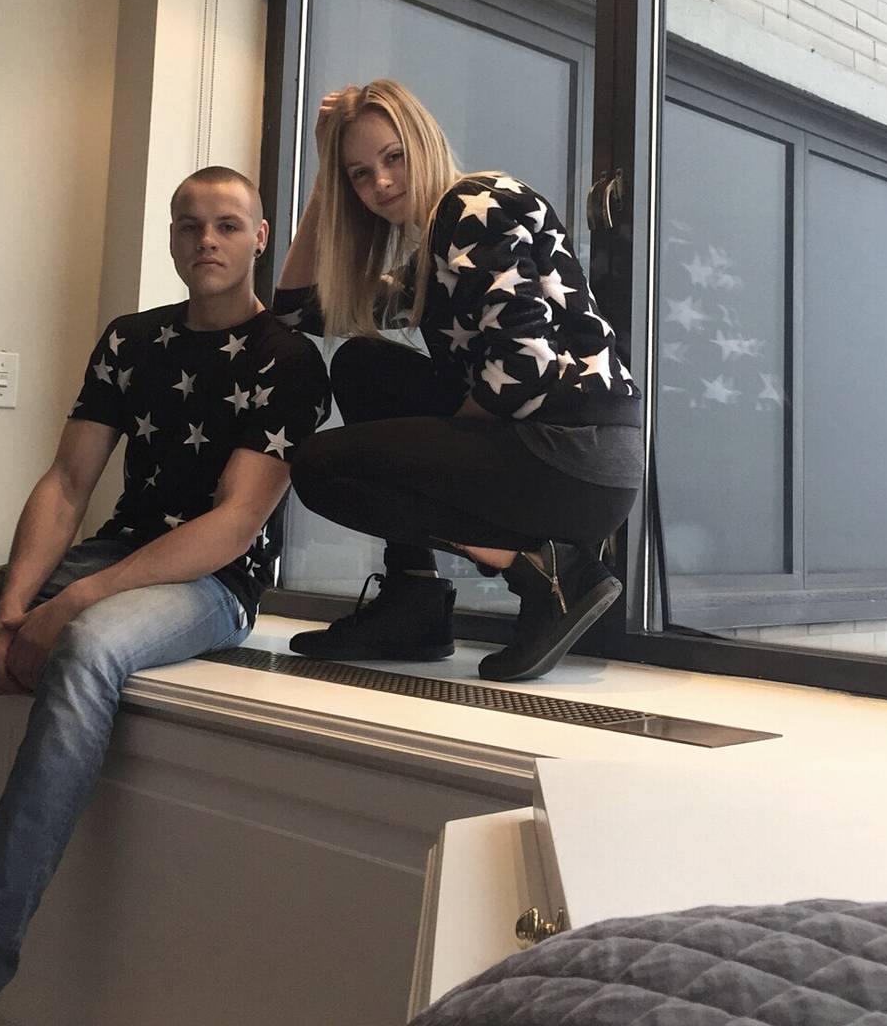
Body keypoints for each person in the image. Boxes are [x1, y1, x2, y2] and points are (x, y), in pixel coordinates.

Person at [0, 166, 330, 1023]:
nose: (207, 240)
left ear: (260, 238)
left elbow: (234, 524)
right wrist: (13, 609)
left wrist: (71, 605)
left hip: (213, 583)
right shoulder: (132, 339)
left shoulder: (289, 360)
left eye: (227, 225)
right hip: (113, 551)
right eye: (189, 225)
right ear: (171, 236)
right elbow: (66, 483)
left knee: (87, 649)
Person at [275, 80, 642, 683]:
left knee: (319, 467)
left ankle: (550, 574)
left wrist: (427, 456)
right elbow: (296, 310)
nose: (381, 183)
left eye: (394, 157)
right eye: (360, 175)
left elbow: (523, 369)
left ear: (424, 143)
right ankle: (413, 600)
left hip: (574, 453)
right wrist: (325, 178)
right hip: (562, 452)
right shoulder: (431, 255)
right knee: (364, 365)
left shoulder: (471, 206)